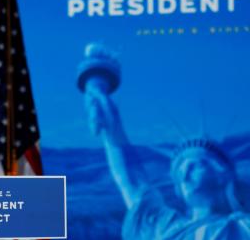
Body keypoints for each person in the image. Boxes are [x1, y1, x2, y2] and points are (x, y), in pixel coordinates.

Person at [79, 45, 250, 239]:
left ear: (222, 175)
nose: (185, 175)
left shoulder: (244, 227)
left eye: (195, 166)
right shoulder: (162, 227)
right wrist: (108, 118)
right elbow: (131, 181)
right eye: (179, 173)